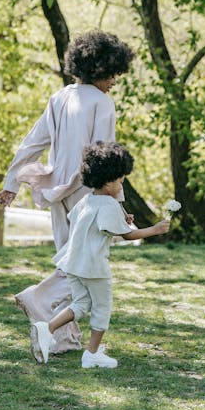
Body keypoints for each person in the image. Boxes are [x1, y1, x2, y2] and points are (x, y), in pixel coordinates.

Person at [0, 31, 135, 358]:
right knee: (84, 264)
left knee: (70, 259)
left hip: (55, 192)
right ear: (98, 68)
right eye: (112, 73)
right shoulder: (102, 103)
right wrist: (117, 202)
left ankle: (64, 340)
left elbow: (33, 142)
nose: (115, 80)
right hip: (89, 193)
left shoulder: (59, 98)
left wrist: (11, 183)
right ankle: (39, 298)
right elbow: (105, 157)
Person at [31, 141, 170, 368]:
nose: (121, 183)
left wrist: (121, 220)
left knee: (81, 303)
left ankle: (47, 328)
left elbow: (88, 224)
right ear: (107, 180)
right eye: (120, 179)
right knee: (102, 308)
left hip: (73, 264)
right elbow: (127, 236)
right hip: (94, 267)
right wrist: (155, 229)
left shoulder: (87, 201)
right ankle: (92, 353)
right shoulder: (109, 204)